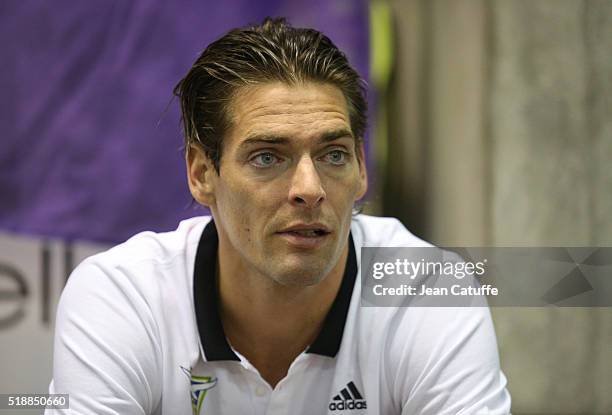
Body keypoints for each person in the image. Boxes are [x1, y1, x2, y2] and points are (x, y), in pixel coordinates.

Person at [47, 17, 511, 414]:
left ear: (362, 170)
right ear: (201, 173)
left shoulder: (426, 290)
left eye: (333, 154)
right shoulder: (125, 296)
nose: (309, 190)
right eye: (267, 157)